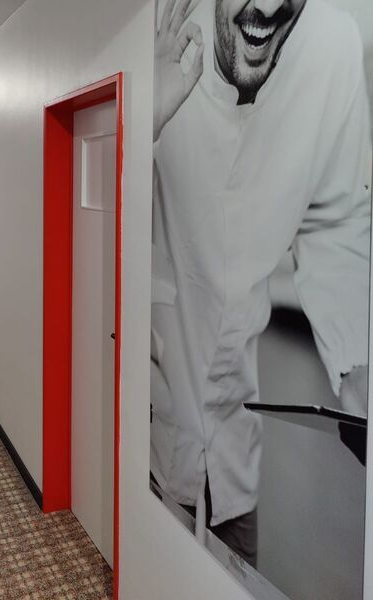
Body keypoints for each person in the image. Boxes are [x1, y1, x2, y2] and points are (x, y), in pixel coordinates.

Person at [151, 0, 372, 567]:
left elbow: (337, 217)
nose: (270, 5)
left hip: (234, 451)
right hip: (143, 442)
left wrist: (354, 368)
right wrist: (144, 114)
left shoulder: (333, 49)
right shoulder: (151, 24)